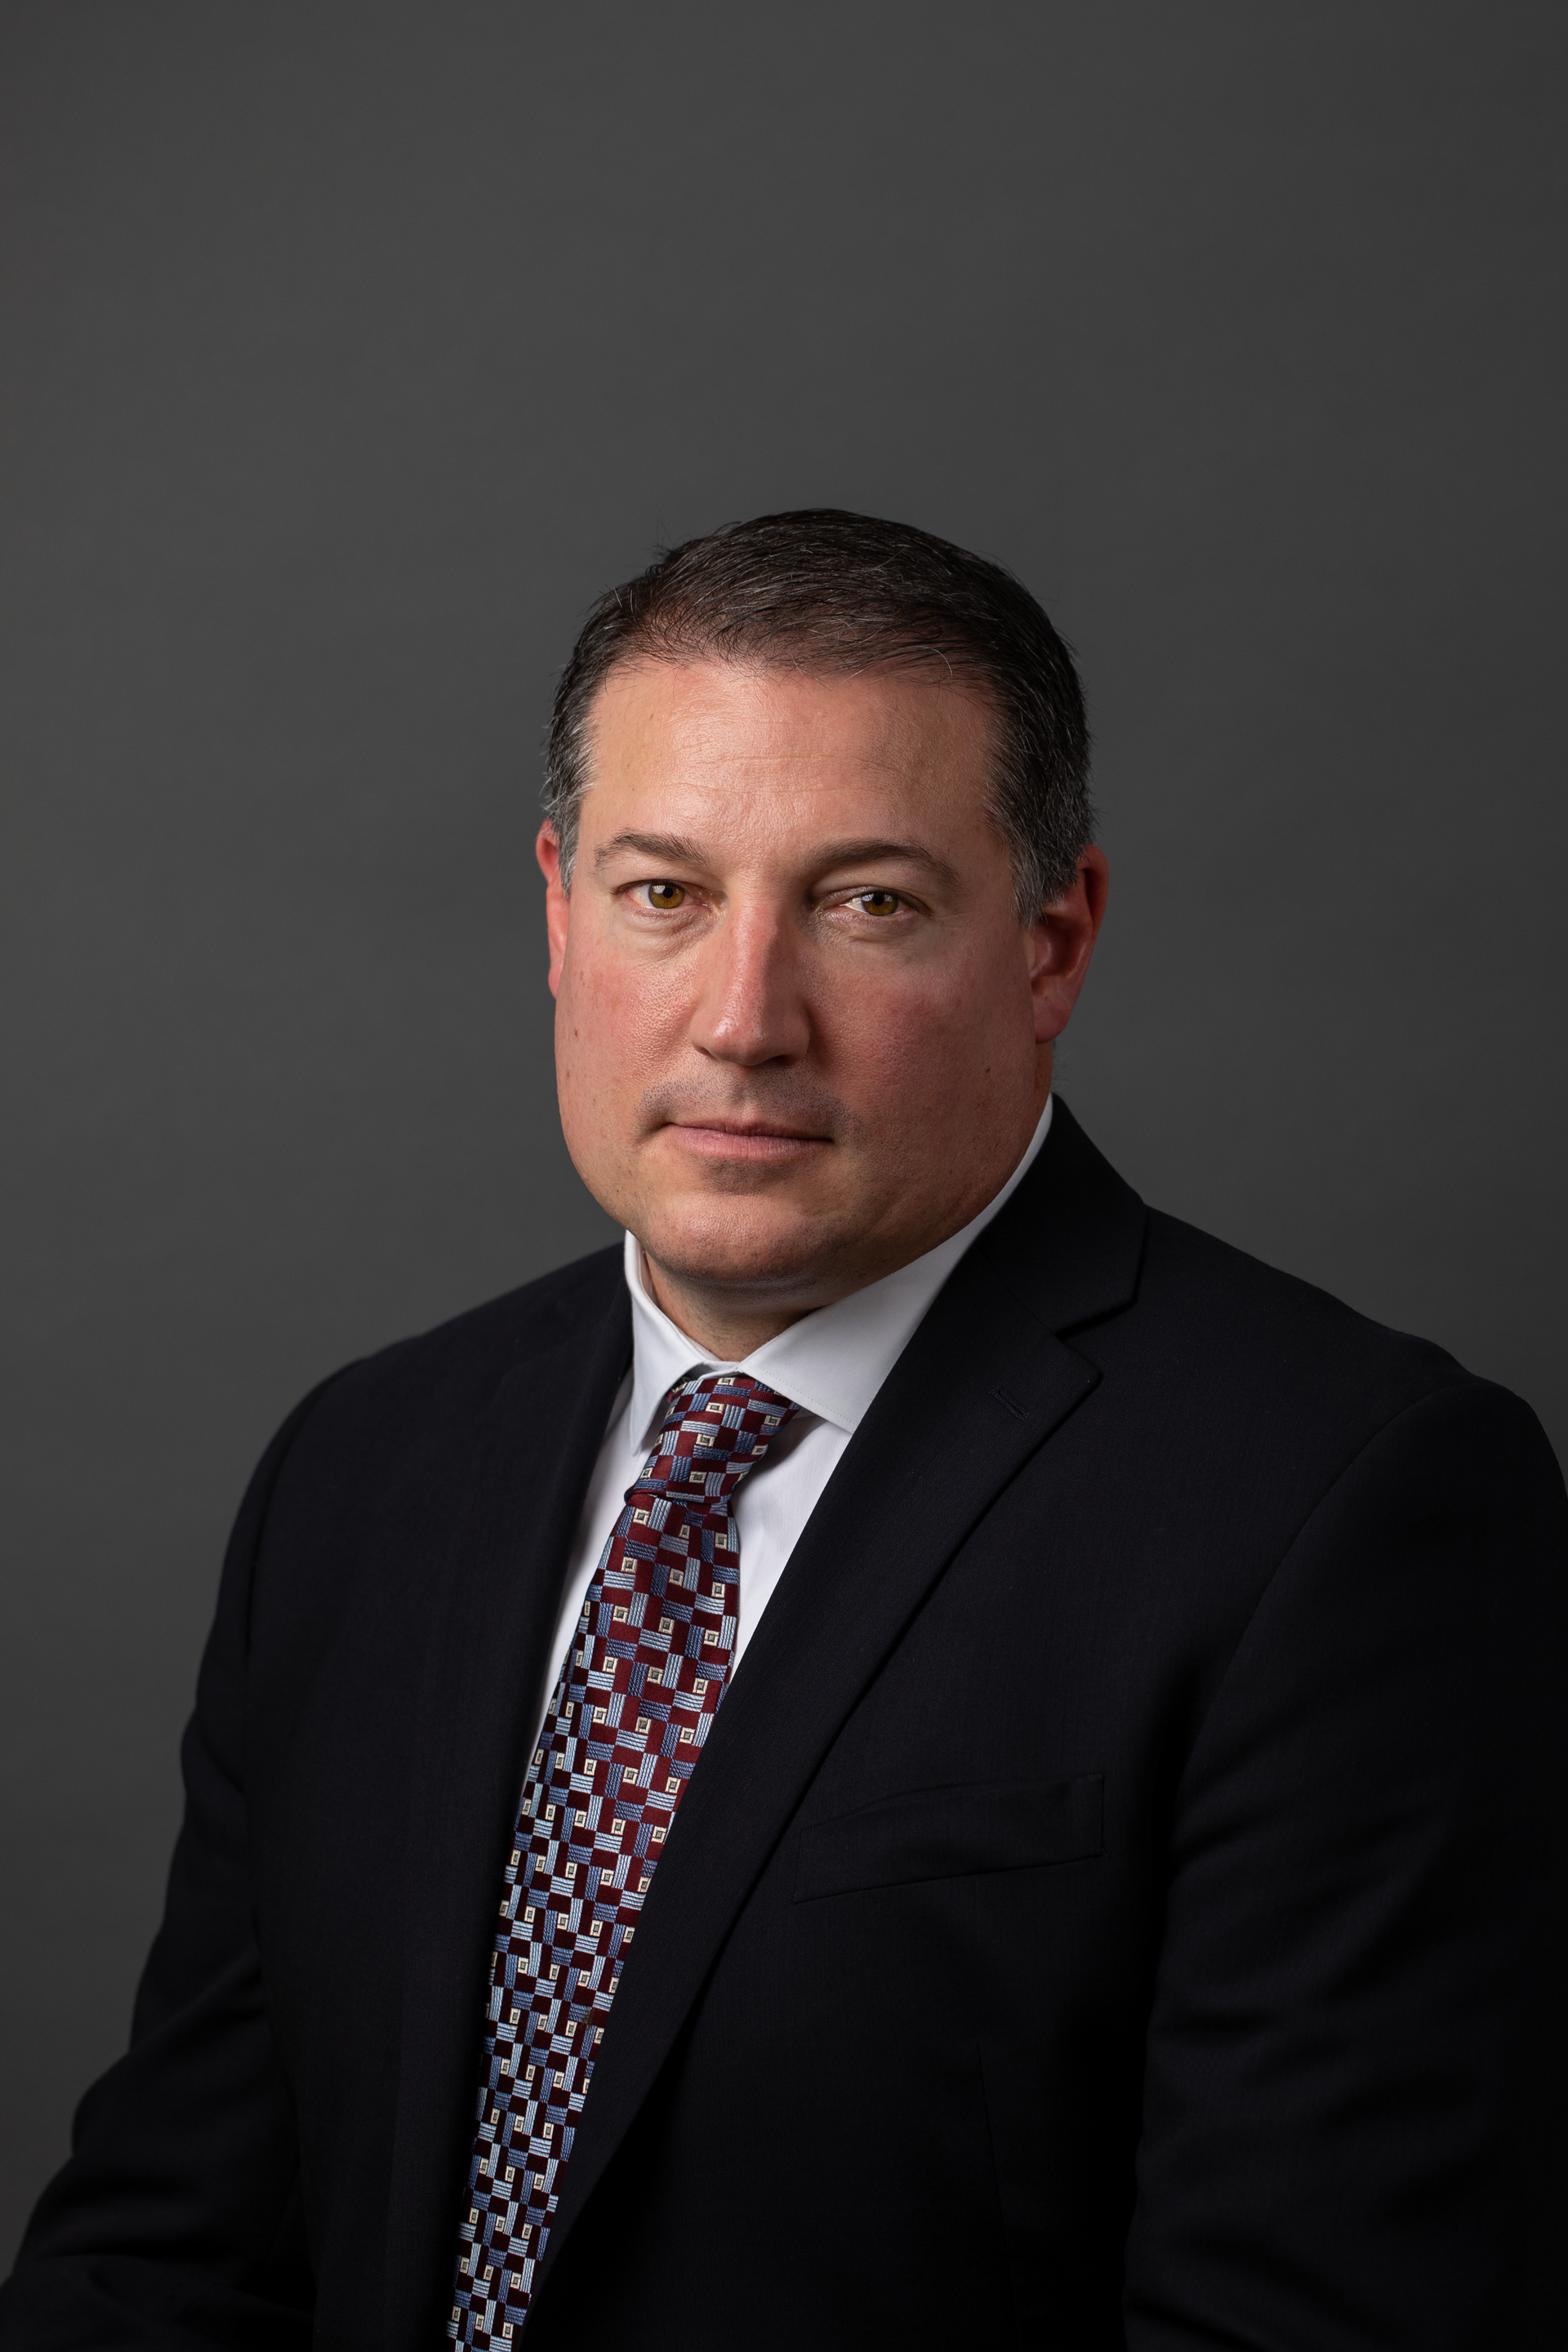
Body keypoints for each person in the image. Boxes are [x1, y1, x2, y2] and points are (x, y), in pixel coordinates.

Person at [2, 510, 1563, 2352]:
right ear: (561, 914)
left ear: (1052, 945)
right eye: (666, 892)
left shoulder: (1346, 1509)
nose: (745, 1021)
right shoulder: (364, 1476)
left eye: (866, 902)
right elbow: (173, 2263)